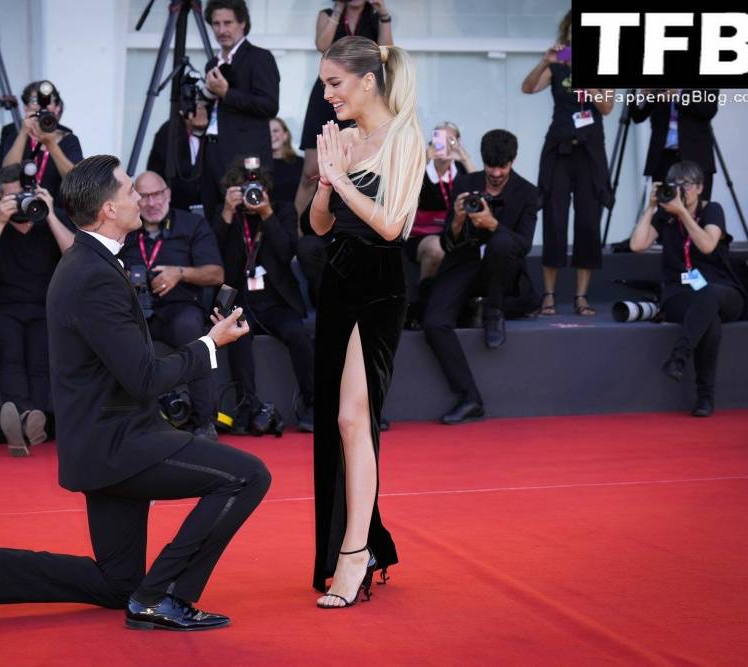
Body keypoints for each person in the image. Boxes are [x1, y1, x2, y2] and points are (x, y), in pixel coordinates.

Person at [0, 155, 269, 632]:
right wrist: (209, 344)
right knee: (247, 476)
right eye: (131, 190)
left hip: (101, 442)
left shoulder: (87, 263)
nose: (140, 198)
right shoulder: (92, 274)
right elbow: (145, 378)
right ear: (108, 209)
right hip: (120, 445)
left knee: (118, 584)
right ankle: (163, 597)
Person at [309, 37, 425, 607]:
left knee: (355, 418)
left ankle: (354, 555)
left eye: (334, 83)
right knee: (337, 424)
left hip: (379, 288)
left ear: (367, 81)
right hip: (337, 282)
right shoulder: (347, 139)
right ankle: (363, 543)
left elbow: (392, 228)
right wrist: (327, 181)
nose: (326, 94)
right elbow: (319, 226)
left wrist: (345, 179)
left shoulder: (405, 136)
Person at [422, 130, 540, 426]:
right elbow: (448, 245)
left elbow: (523, 246)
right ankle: (470, 398)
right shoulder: (465, 184)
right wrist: (460, 221)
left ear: (512, 162)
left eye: (503, 167)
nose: (496, 173)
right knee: (434, 323)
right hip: (464, 266)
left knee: (502, 243)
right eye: (491, 167)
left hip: (503, 275)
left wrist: (492, 224)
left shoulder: (527, 193)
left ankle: (493, 311)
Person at [0, 164, 76, 456]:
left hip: (44, 309)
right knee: (10, 354)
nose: (18, 204)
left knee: (41, 358)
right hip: (2, 310)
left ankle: (26, 419)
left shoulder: (48, 225)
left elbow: (77, 258)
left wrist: (50, 213)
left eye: (22, 197)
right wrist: (0, 221)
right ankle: (29, 417)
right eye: (9, 198)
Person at [628, 161, 748, 417]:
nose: (682, 190)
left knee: (710, 295)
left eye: (687, 185)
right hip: (681, 293)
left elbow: (707, 245)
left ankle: (678, 357)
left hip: (722, 290)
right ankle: (704, 397)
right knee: (709, 321)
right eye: (676, 184)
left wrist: (683, 213)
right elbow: (637, 245)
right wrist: (650, 208)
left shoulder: (712, 210)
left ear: (701, 188)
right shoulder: (665, 215)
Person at [118, 171, 225, 440]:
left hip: (180, 306)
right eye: (144, 196)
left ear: (168, 194)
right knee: (112, 333)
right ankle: (123, 424)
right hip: (135, 308)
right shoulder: (124, 229)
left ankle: (204, 421)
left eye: (157, 195)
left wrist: (180, 273)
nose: (152, 203)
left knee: (192, 331)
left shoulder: (192, 225)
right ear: (134, 199)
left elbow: (216, 274)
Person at [213, 157, 315, 433]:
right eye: (242, 189)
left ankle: (312, 401)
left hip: (276, 300)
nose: (250, 196)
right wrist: (226, 212)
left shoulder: (282, 211)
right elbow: (216, 261)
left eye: (255, 189)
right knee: (238, 338)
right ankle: (248, 406)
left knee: (297, 333)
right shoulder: (227, 216)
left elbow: (286, 253)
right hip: (241, 301)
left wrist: (267, 213)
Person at [523, 10, 614, 317]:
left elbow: (606, 107)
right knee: (555, 219)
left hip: (590, 152)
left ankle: (581, 296)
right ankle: (549, 294)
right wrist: (546, 62)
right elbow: (528, 87)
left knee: (588, 223)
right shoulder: (558, 64)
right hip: (559, 149)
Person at [295, 0, 393, 219]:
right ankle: (297, 235)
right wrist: (338, 9)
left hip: (361, 95)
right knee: (311, 170)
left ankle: (344, 224)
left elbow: (386, 52)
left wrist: (383, 12)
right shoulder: (328, 13)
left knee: (355, 165)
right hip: (329, 95)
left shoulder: (374, 16)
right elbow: (322, 45)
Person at [200, 0, 281, 220]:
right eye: (216, 24)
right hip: (212, 151)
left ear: (242, 23)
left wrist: (227, 93)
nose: (221, 30)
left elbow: (270, 105)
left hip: (245, 155)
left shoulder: (259, 57)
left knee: (246, 218)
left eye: (228, 23)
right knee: (215, 215)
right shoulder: (212, 64)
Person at [0, 80, 84, 201]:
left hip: (54, 211)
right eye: (35, 101)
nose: (42, 106)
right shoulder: (14, 136)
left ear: (57, 108)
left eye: (48, 101)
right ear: (25, 108)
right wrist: (23, 134)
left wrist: (51, 144)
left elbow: (76, 182)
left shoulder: (69, 140)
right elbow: (6, 175)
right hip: (18, 207)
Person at [411, 121, 476, 286]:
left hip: (454, 231)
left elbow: (479, 194)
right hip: (422, 234)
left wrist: (465, 158)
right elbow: (406, 192)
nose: (445, 145)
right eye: (440, 139)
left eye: (451, 140)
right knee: (436, 247)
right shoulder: (420, 168)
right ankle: (425, 294)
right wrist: (423, 160)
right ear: (432, 142)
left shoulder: (461, 168)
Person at [630, 90, 719, 202]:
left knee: (698, 212)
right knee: (665, 211)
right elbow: (638, 116)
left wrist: (678, 94)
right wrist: (643, 94)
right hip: (663, 158)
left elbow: (708, 109)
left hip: (696, 157)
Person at [147, 101, 209, 213]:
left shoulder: (216, 130)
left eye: (203, 107)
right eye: (196, 107)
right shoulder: (169, 131)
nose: (200, 111)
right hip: (176, 210)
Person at [270, 117, 303, 207]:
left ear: (285, 135)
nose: (271, 135)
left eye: (275, 131)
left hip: (296, 218)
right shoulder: (260, 166)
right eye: (267, 132)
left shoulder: (302, 164)